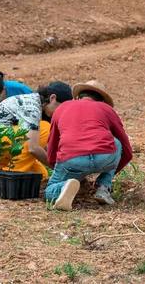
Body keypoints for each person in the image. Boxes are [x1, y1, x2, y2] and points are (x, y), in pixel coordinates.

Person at [45, 80, 133, 211]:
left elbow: (52, 146)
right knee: (116, 142)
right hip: (105, 157)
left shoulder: (62, 108)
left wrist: (62, 170)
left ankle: (64, 186)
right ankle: (103, 188)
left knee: (49, 191)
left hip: (72, 160)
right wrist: (109, 174)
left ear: (77, 97)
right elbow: (127, 149)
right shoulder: (107, 109)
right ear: (102, 101)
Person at [0, 81, 74, 178]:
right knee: (45, 128)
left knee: (41, 175)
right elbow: (33, 148)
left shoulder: (35, 103)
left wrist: (57, 161)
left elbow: (40, 142)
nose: (61, 113)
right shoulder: (32, 108)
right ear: (52, 98)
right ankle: (10, 173)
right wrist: (60, 169)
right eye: (61, 108)